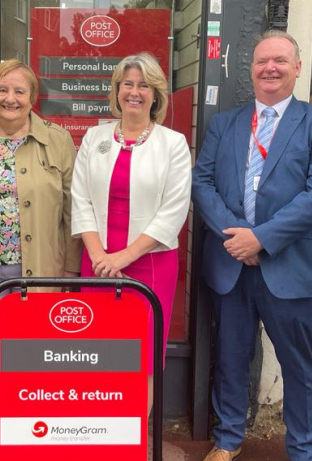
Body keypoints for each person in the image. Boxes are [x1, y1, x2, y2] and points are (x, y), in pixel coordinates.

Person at [192, 30, 312, 461]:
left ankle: (301, 448)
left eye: (280, 60)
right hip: (231, 265)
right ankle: (227, 440)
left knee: (298, 364)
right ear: (251, 69)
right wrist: (237, 237)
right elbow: (201, 183)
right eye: (262, 61)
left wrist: (263, 238)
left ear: (297, 68)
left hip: (290, 267)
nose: (270, 68)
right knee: (231, 359)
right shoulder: (225, 123)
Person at [0, 59, 82, 458]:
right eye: (3, 90)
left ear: (33, 97)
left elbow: (73, 210)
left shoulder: (57, 141)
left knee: (33, 348)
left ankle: (25, 419)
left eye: (19, 91)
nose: (10, 99)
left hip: (39, 266)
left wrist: (71, 268)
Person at [71, 52, 191, 411]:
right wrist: (98, 258)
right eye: (128, 84)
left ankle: (135, 437)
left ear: (156, 94)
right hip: (97, 262)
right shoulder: (94, 137)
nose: (134, 92)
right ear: (117, 90)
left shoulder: (173, 144)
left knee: (143, 357)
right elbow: (79, 199)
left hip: (149, 263)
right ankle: (102, 433)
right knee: (98, 353)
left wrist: (123, 256)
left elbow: (174, 209)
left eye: (143, 85)